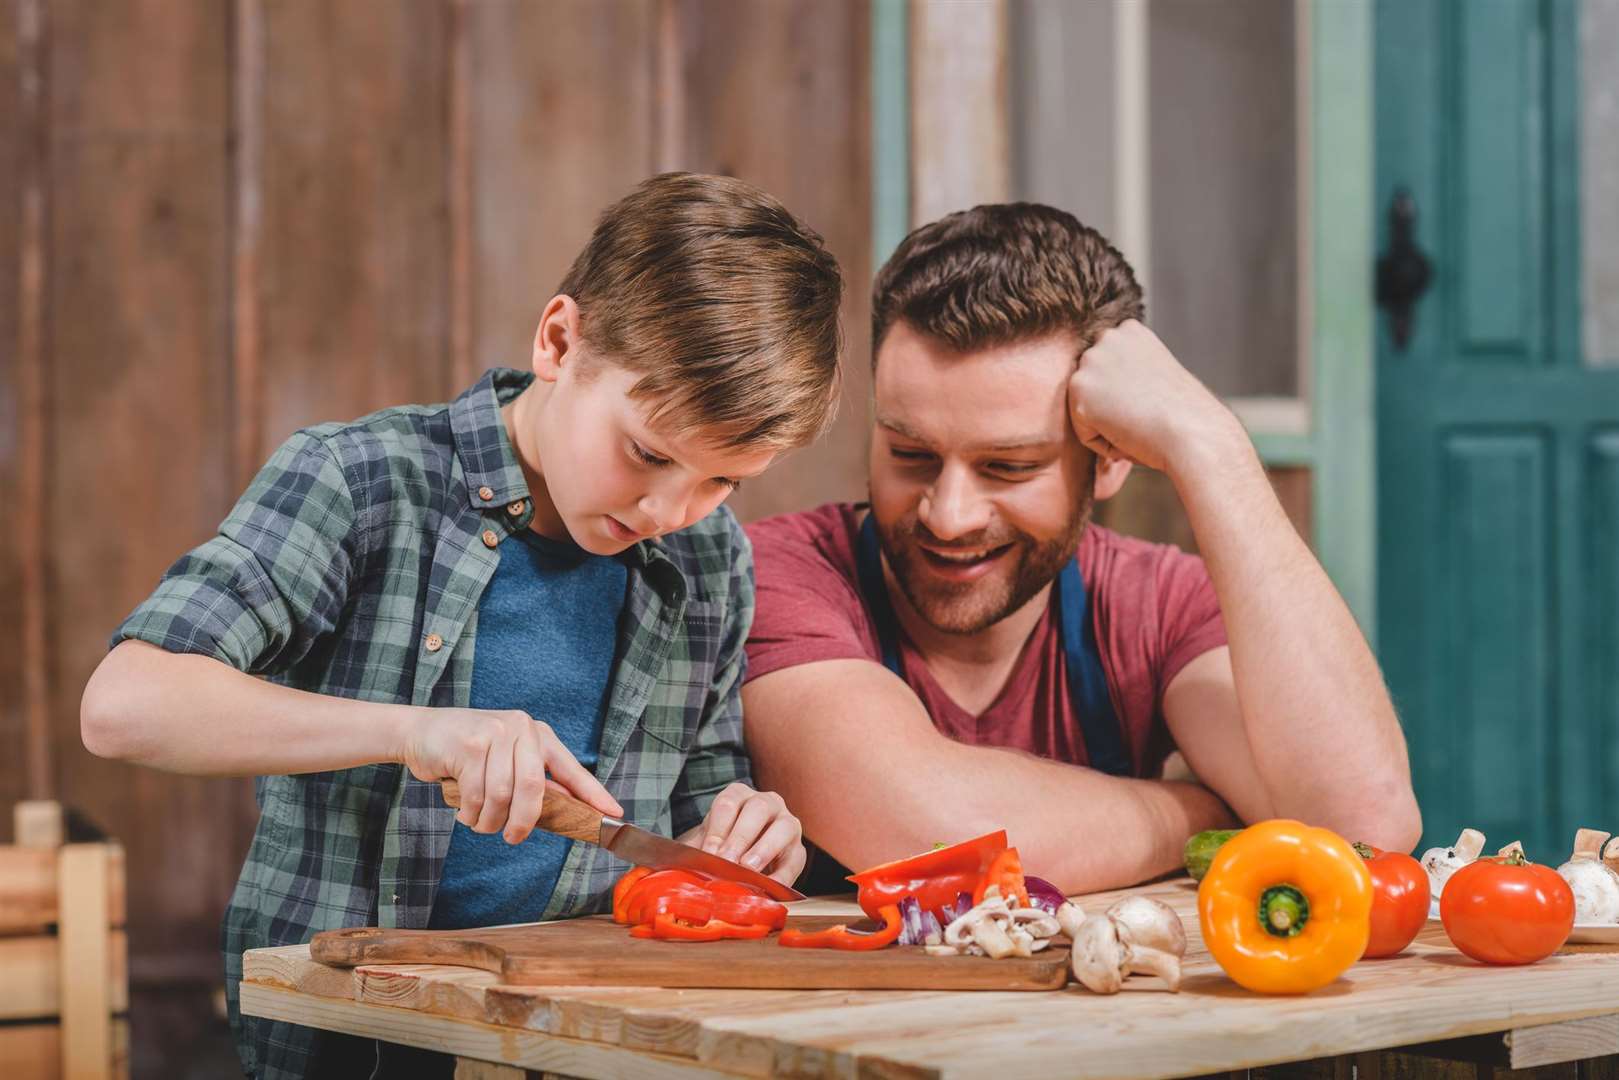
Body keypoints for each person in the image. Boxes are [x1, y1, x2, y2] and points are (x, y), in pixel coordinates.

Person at [80, 173, 841, 1079]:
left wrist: (741, 827)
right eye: (647, 453)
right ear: (560, 340)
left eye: (723, 481)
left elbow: (698, 789)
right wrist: (416, 731)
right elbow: (125, 706)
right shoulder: (362, 482)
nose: (671, 510)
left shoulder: (709, 557)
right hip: (352, 1045)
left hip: (592, 1043)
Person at [741, 202, 1421, 895]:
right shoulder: (778, 574)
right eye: (910, 454)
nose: (948, 516)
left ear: (1110, 457)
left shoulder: (1157, 604)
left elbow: (1362, 829)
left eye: (1008, 467)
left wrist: (1210, 445)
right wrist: (1204, 813)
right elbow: (926, 834)